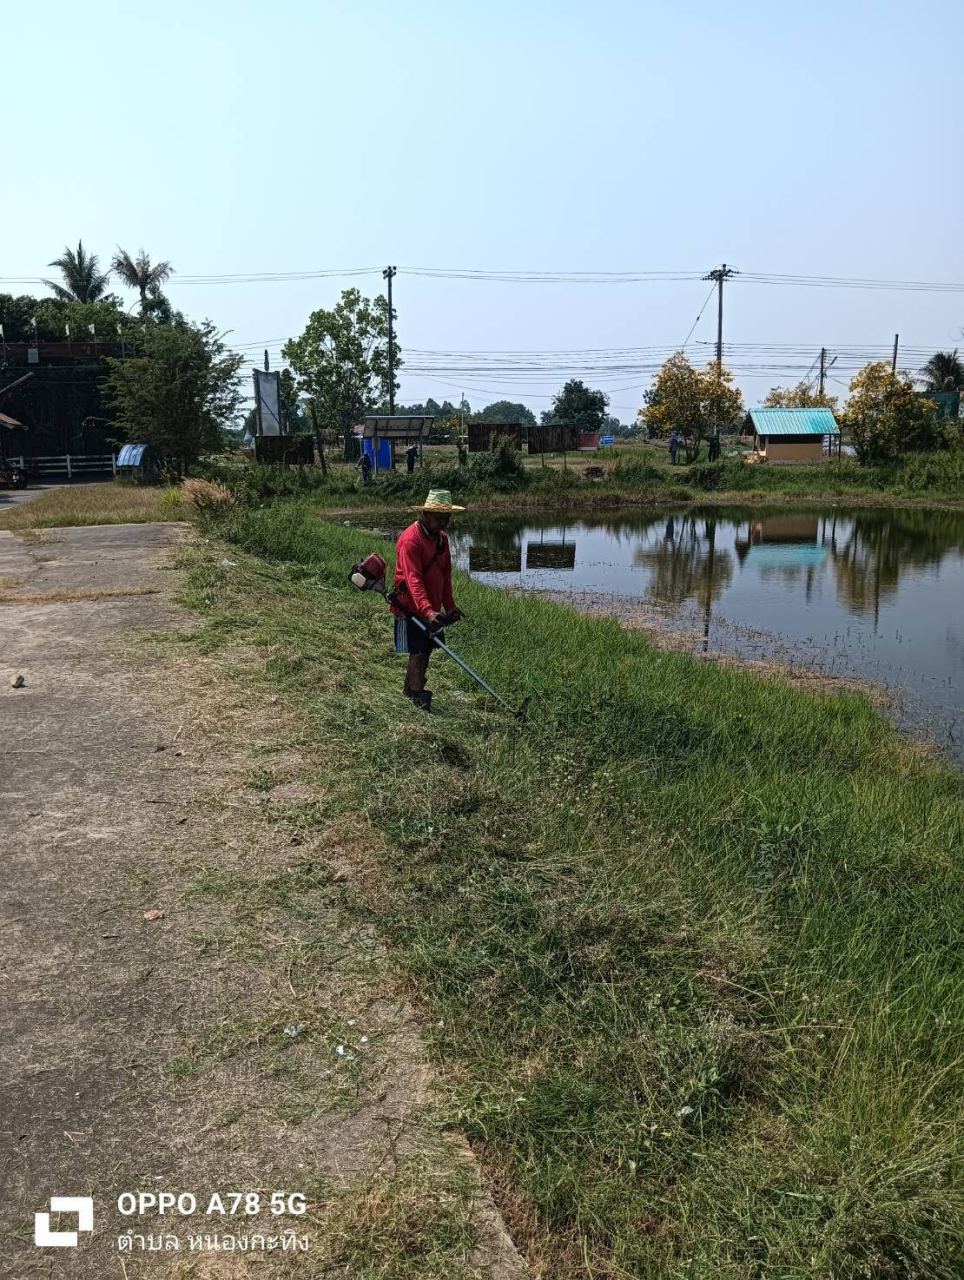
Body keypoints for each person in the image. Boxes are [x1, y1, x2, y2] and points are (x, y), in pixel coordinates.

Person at [390, 489, 465, 712]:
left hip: (431, 607)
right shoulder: (410, 540)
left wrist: (449, 606)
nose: (444, 522)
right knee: (418, 651)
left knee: (428, 648)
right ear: (426, 515)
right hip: (410, 607)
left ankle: (412, 690)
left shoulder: (441, 539)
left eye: (447, 518)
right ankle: (417, 701)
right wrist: (427, 611)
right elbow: (413, 580)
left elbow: (445, 574)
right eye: (439, 517)